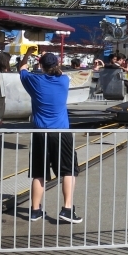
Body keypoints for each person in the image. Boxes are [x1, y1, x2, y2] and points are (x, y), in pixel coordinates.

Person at [19, 47, 81, 224]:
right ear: (57, 64)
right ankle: (67, 208)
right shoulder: (63, 81)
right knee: (68, 170)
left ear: (40, 66)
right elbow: (58, 71)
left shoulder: (34, 81)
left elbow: (22, 68)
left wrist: (29, 54)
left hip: (40, 132)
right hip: (61, 132)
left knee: (39, 172)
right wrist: (47, 61)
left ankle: (35, 210)